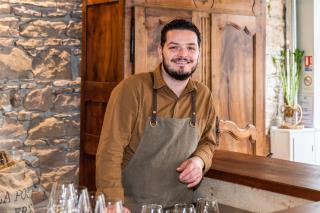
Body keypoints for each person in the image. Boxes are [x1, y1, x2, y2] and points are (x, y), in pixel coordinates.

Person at [96, 19, 217, 213]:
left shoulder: (204, 95)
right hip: (132, 207)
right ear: (160, 51)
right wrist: (113, 202)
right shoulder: (132, 89)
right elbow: (110, 150)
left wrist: (199, 161)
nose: (183, 55)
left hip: (182, 207)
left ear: (199, 54)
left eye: (191, 48)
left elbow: (209, 142)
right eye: (174, 47)